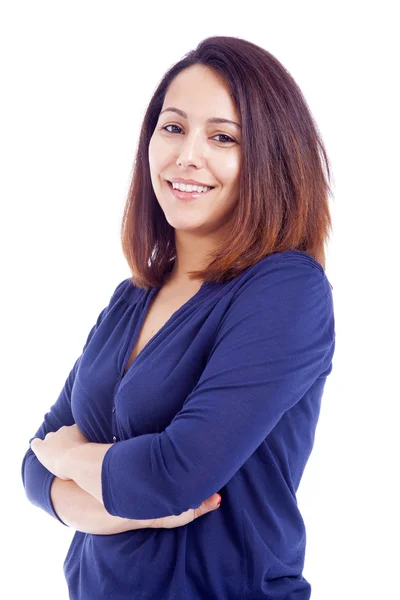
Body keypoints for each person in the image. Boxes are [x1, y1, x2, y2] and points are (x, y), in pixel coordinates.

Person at [21, 35, 336, 600]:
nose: (187, 155)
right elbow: (32, 469)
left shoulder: (286, 290)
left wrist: (73, 457)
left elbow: (172, 477)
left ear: (270, 158)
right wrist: (126, 509)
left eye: (222, 137)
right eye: (172, 127)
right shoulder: (130, 298)